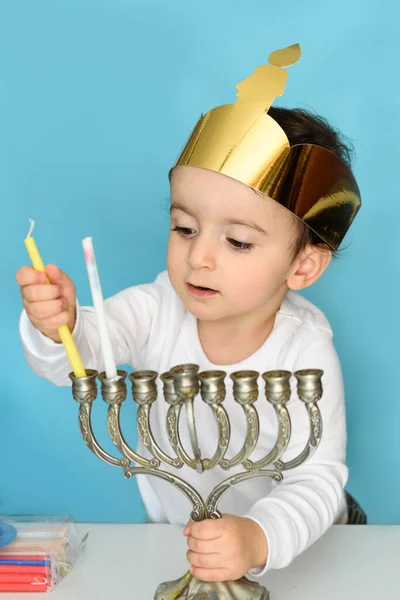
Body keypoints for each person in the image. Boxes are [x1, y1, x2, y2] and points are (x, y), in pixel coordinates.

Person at [16, 45, 361, 584]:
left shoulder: (304, 346)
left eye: (239, 242)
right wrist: (60, 323)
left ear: (303, 266)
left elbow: (318, 478)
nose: (199, 256)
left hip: (308, 545)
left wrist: (257, 536)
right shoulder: (157, 306)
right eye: (184, 227)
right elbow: (81, 358)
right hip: (184, 546)